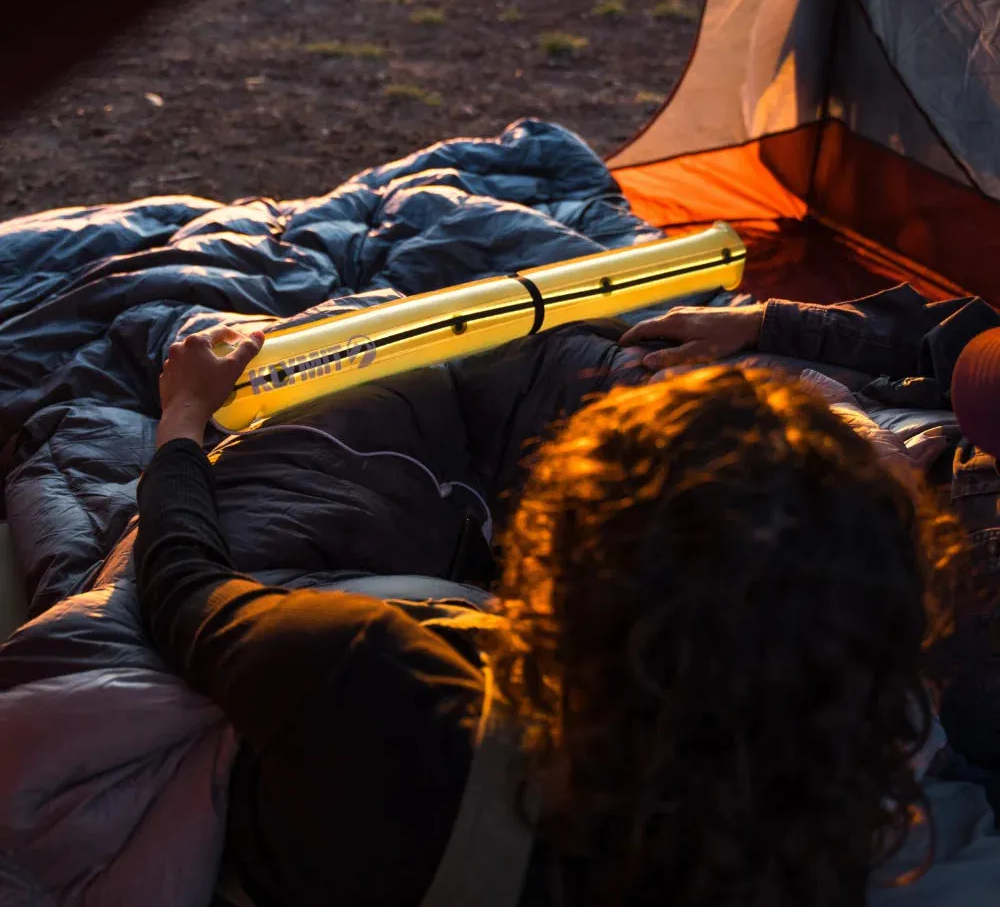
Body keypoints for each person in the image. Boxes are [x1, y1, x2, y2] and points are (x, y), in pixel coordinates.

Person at [137, 323, 964, 907]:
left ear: (561, 546)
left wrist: (183, 417)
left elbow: (180, 583)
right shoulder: (822, 822)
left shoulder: (370, 678)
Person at [621, 285, 1000, 774]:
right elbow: (959, 342)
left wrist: (898, 518)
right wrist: (768, 322)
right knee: (645, 317)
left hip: (799, 535)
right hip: (854, 409)